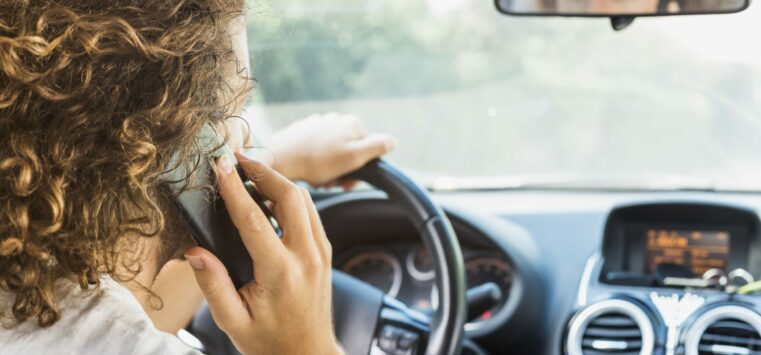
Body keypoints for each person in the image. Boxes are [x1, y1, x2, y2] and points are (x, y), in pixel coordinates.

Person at [0, 0, 395, 354]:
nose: (239, 142)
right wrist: (305, 345)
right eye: (230, 114)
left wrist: (281, 161)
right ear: (161, 140)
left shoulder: (30, 291)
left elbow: (112, 324)